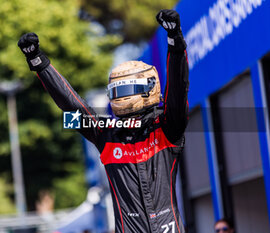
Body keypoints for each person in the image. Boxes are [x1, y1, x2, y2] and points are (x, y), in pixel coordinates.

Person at [18, 9, 189, 233]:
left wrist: (175, 40)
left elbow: (178, 90)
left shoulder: (166, 128)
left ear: (149, 88)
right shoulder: (106, 133)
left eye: (129, 89)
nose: (122, 97)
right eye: (116, 91)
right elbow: (72, 106)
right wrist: (39, 62)